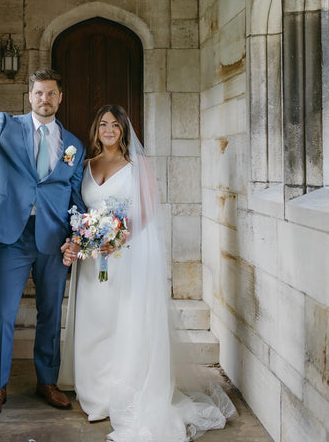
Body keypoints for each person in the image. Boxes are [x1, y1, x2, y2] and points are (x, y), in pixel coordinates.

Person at [59, 105, 236, 442]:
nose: (108, 130)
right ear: (96, 130)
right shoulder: (84, 166)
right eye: (103, 125)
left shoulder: (138, 167)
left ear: (124, 130)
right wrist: (85, 238)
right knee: (94, 322)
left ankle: (124, 391)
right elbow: (81, 211)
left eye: (115, 125)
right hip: (92, 261)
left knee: (123, 321)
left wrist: (117, 237)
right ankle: (95, 393)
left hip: (126, 257)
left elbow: (149, 209)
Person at [0, 66, 86, 418]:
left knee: (49, 313)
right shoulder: (5, 126)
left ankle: (47, 381)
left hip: (54, 238)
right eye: (39, 93)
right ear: (30, 97)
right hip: (12, 236)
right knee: (3, 314)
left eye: (51, 93)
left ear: (60, 97)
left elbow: (74, 195)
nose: (45, 99)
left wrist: (76, 237)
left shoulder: (72, 145)